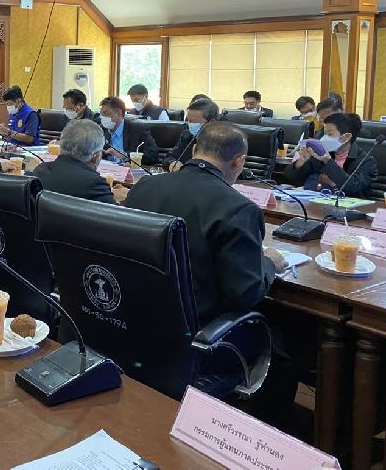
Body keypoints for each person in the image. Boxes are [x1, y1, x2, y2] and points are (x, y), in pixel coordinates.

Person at [125, 122, 293, 428]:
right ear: (239, 161)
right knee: (286, 351)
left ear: (194, 150)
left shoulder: (144, 187)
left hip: (137, 325)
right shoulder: (238, 208)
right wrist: (268, 263)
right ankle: (250, 438)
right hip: (199, 342)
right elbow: (246, 294)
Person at [284, 112, 377, 197]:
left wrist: (328, 161)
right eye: (324, 133)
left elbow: (352, 188)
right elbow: (292, 178)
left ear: (346, 137)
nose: (324, 138)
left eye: (330, 134)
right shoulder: (320, 153)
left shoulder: (366, 161)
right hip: (316, 202)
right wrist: (301, 162)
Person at [32, 119, 116, 204]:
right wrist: (114, 196)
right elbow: (114, 211)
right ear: (96, 156)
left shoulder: (40, 171)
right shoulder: (95, 184)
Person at [98, 96, 159, 166]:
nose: (102, 117)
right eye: (101, 114)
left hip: (130, 170)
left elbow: (153, 156)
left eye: (105, 113)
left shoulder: (138, 130)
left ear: (118, 113)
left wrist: (125, 155)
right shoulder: (102, 130)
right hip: (108, 170)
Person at [165, 97, 219, 171]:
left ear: (211, 122)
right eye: (188, 120)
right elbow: (168, 158)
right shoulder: (186, 136)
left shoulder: (224, 142)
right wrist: (172, 163)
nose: (190, 124)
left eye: (193, 121)